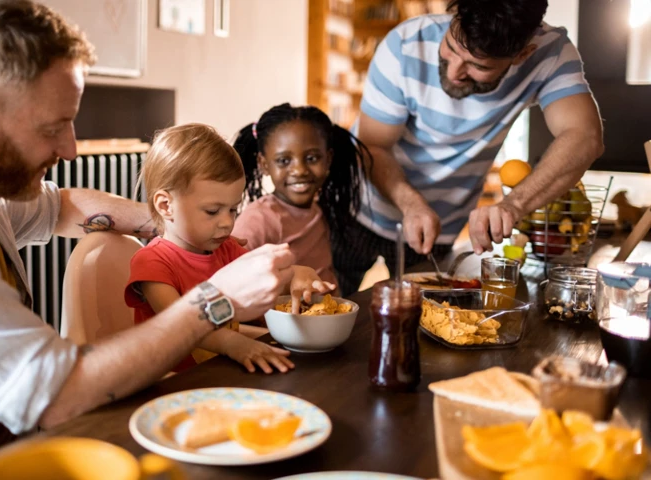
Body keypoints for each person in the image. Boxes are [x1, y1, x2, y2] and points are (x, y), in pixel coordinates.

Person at [0, 2, 300, 478]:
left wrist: (171, 228)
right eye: (53, 128)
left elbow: (64, 205)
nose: (69, 148)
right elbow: (57, 394)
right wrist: (219, 296)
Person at [335, 0, 604, 295]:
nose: (453, 72)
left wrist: (513, 205)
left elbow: (585, 137)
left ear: (522, 54)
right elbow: (374, 145)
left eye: (478, 65)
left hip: (438, 224)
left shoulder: (550, 53)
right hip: (356, 208)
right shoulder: (404, 45)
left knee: (423, 323)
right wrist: (411, 204)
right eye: (451, 46)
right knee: (325, 311)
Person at [125, 123, 334, 374]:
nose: (227, 222)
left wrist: (296, 274)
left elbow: (265, 281)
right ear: (166, 205)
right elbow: (180, 326)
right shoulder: (152, 263)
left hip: (218, 371)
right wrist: (235, 344)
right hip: (169, 381)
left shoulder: (227, 249)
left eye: (233, 209)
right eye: (213, 211)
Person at [232, 103, 368, 294]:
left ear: (328, 159)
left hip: (326, 318)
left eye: (312, 158)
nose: (300, 170)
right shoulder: (260, 219)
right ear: (264, 164)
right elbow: (234, 278)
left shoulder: (318, 210)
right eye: (284, 161)